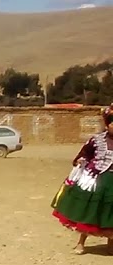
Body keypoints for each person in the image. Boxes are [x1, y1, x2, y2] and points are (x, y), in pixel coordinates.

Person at [51, 105, 113, 254]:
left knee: (111, 212)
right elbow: (84, 154)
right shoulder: (96, 140)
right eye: (112, 122)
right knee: (89, 210)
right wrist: (81, 160)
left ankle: (110, 243)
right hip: (96, 181)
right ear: (107, 124)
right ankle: (81, 243)